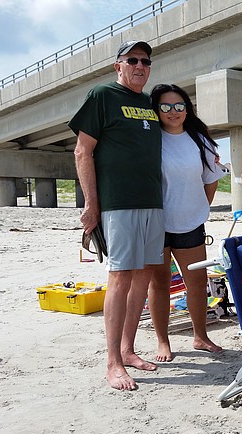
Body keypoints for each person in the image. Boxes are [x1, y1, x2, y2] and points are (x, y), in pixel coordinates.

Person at [69, 40, 163, 391]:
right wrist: (91, 205)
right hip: (118, 203)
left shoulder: (147, 103)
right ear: (118, 66)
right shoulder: (103, 95)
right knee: (121, 276)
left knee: (143, 275)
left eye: (146, 61)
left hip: (152, 202)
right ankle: (112, 362)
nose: (140, 65)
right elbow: (82, 150)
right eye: (133, 60)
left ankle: (128, 350)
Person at [146, 84, 224, 362]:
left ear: (187, 108)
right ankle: (163, 341)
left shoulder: (200, 141)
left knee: (197, 281)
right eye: (165, 106)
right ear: (156, 110)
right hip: (157, 222)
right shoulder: (150, 139)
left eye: (179, 105)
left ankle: (200, 336)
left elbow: (211, 180)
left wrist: (199, 206)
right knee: (160, 283)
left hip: (191, 222)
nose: (173, 111)